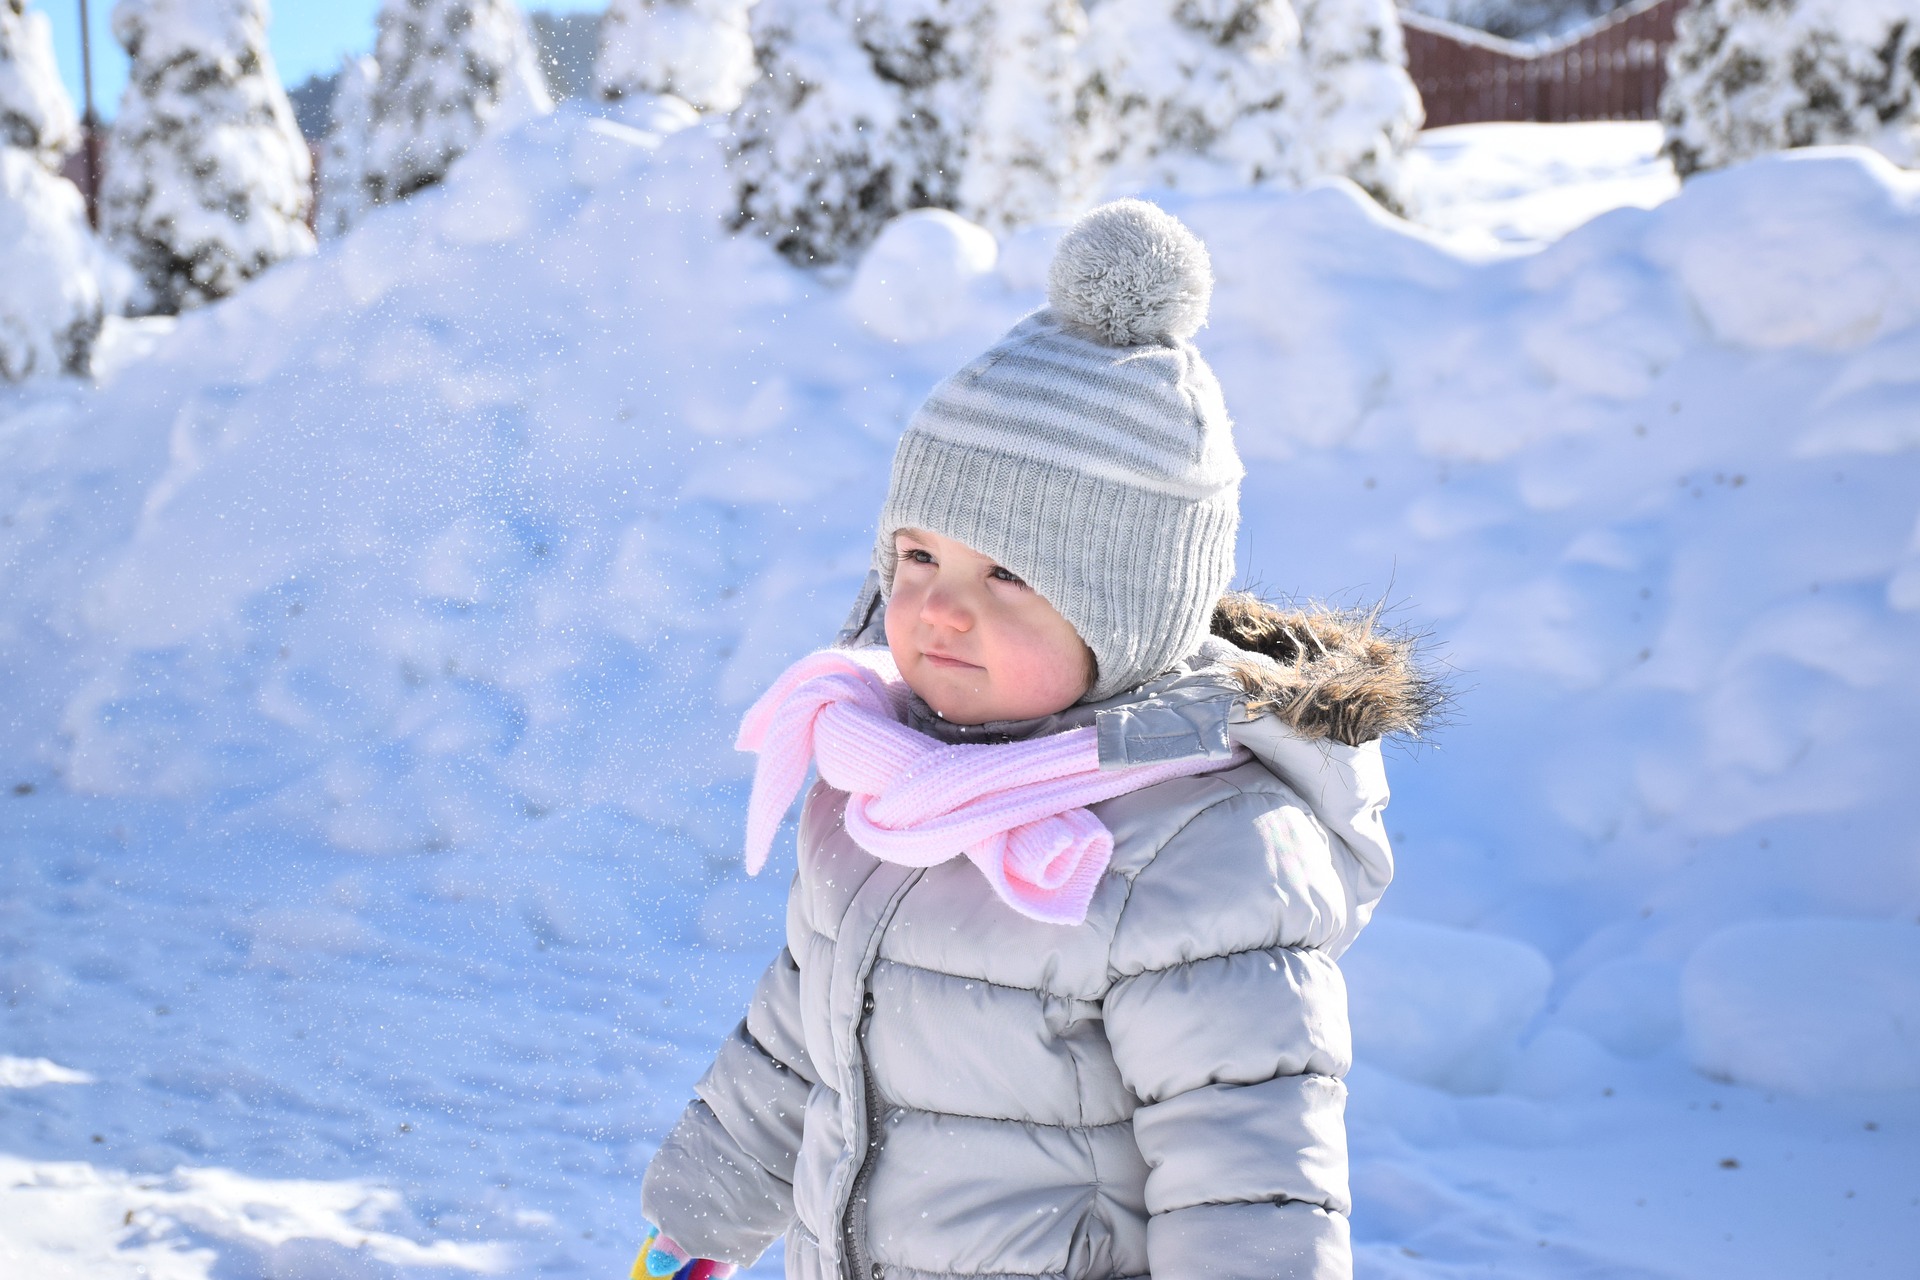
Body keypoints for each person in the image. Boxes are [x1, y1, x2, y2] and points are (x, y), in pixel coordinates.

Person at [632, 199, 1436, 1280]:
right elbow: (796, 1036)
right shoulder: (888, 780)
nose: (938, 608)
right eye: (917, 558)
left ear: (1131, 611)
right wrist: (701, 1216)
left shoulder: (1204, 850)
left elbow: (1252, 1179)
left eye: (1008, 572)